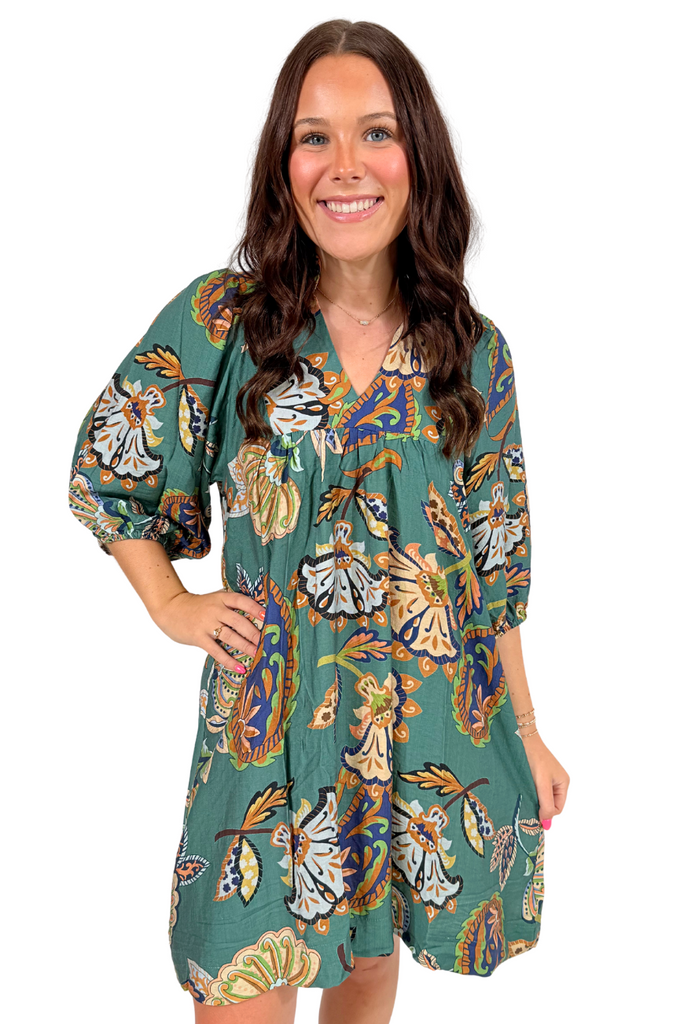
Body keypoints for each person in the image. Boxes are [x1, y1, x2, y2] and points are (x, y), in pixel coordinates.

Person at [68, 18, 570, 1024]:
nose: (346, 165)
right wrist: (170, 602)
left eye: (376, 133)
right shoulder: (224, 323)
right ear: (282, 163)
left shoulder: (472, 353)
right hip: (265, 745)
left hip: (414, 741)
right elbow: (112, 466)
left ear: (418, 158)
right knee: (240, 975)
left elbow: (493, 570)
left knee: (367, 971)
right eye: (314, 137)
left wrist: (528, 729)